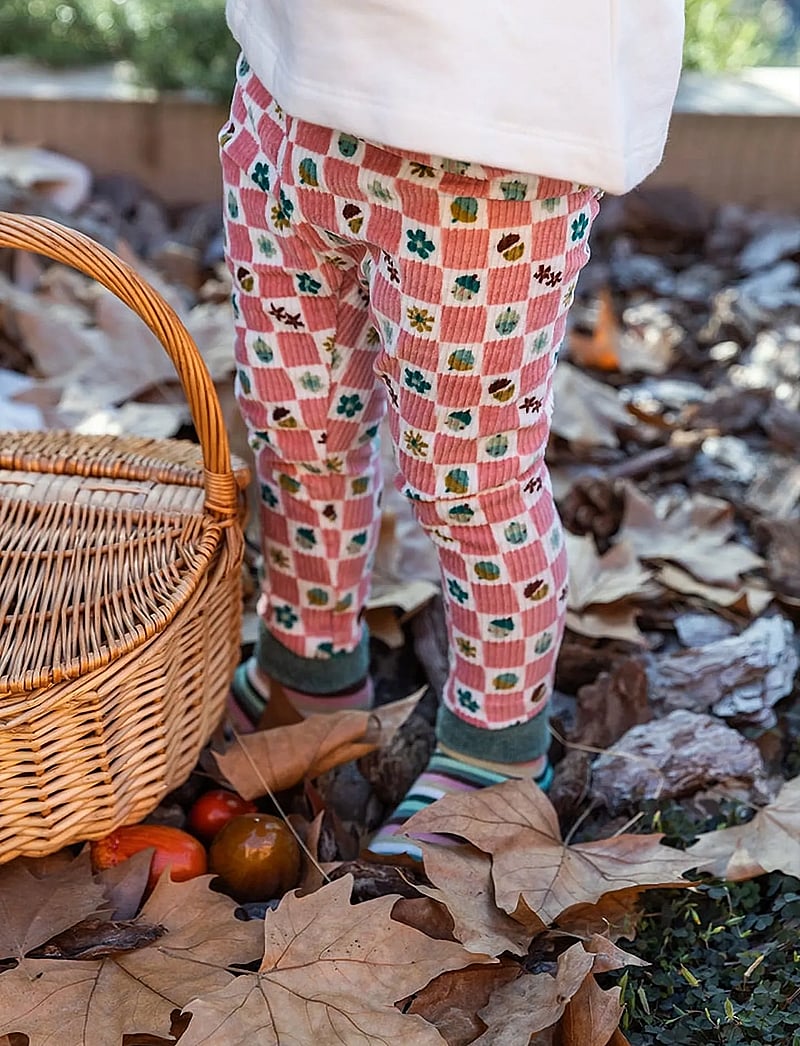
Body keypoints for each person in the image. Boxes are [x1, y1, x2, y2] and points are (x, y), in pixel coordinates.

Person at [220, 1, 685, 860]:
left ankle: (499, 750)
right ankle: (308, 663)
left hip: (493, 137)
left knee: (471, 475)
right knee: (295, 418)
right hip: (289, 89)